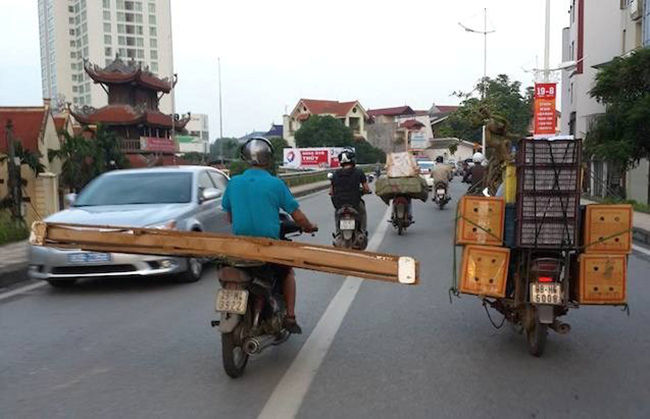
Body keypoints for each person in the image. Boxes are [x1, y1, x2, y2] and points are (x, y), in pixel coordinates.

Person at [222, 137, 317, 334]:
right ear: (269, 159)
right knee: (287, 272)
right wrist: (309, 227)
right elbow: (297, 216)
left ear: (245, 158)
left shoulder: (234, 183)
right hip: (268, 249)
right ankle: (290, 317)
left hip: (239, 249)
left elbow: (229, 217)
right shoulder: (275, 184)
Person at [329, 148, 370, 234]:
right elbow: (366, 189)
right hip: (355, 203)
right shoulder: (359, 172)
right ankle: (362, 231)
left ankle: (337, 233)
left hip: (339, 204)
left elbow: (331, 192)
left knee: (337, 214)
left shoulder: (335, 174)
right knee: (362, 212)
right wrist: (364, 192)